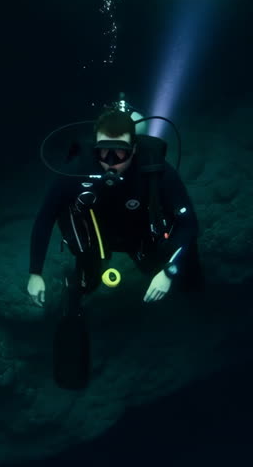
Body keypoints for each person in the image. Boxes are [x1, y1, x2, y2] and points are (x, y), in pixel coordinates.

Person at [26, 106, 203, 388]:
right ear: (94, 148)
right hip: (96, 240)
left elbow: (189, 224)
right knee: (86, 284)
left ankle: (195, 296)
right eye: (103, 152)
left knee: (174, 268)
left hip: (140, 237)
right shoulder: (77, 170)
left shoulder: (155, 171)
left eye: (119, 153)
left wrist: (169, 271)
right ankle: (73, 318)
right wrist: (35, 273)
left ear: (134, 149)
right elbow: (45, 217)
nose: (110, 163)